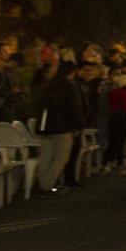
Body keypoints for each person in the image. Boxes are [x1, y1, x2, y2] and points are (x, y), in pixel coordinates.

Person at [34, 62, 85, 198]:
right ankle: (47, 185)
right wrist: (78, 125)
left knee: (46, 157)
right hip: (63, 127)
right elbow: (75, 108)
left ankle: (43, 185)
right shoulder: (69, 86)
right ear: (72, 72)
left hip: (45, 127)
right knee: (61, 157)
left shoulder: (47, 85)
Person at [105, 74, 126, 172]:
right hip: (123, 118)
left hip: (113, 118)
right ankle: (119, 162)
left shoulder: (112, 93)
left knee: (113, 141)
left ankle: (108, 162)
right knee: (121, 141)